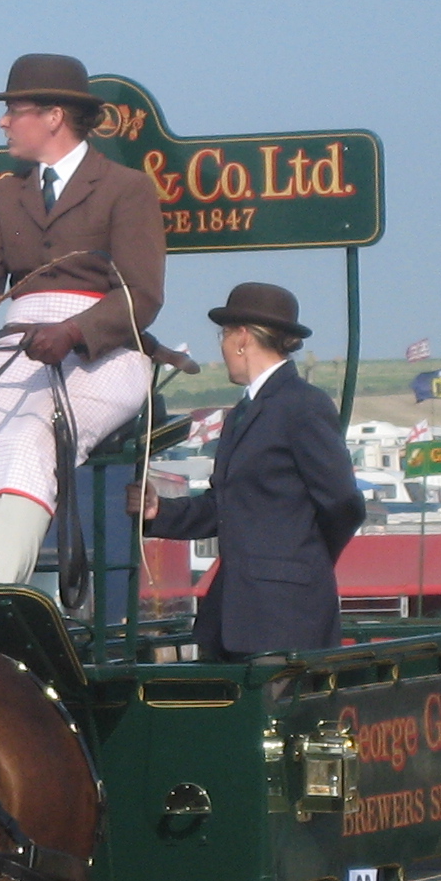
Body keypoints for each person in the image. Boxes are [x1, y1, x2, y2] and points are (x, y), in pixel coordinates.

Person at [0, 53, 172, 586]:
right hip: (17, 349)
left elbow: (142, 296)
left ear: (54, 116)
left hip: (102, 353)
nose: (3, 120)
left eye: (15, 109)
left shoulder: (125, 187)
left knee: (33, 435)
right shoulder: (7, 192)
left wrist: (75, 331)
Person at [134, 282, 366, 660]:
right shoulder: (242, 413)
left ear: (241, 338)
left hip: (284, 621)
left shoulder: (303, 406)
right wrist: (160, 512)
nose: (222, 348)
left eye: (223, 336)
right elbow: (224, 506)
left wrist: (303, 562)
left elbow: (343, 503)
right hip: (232, 616)